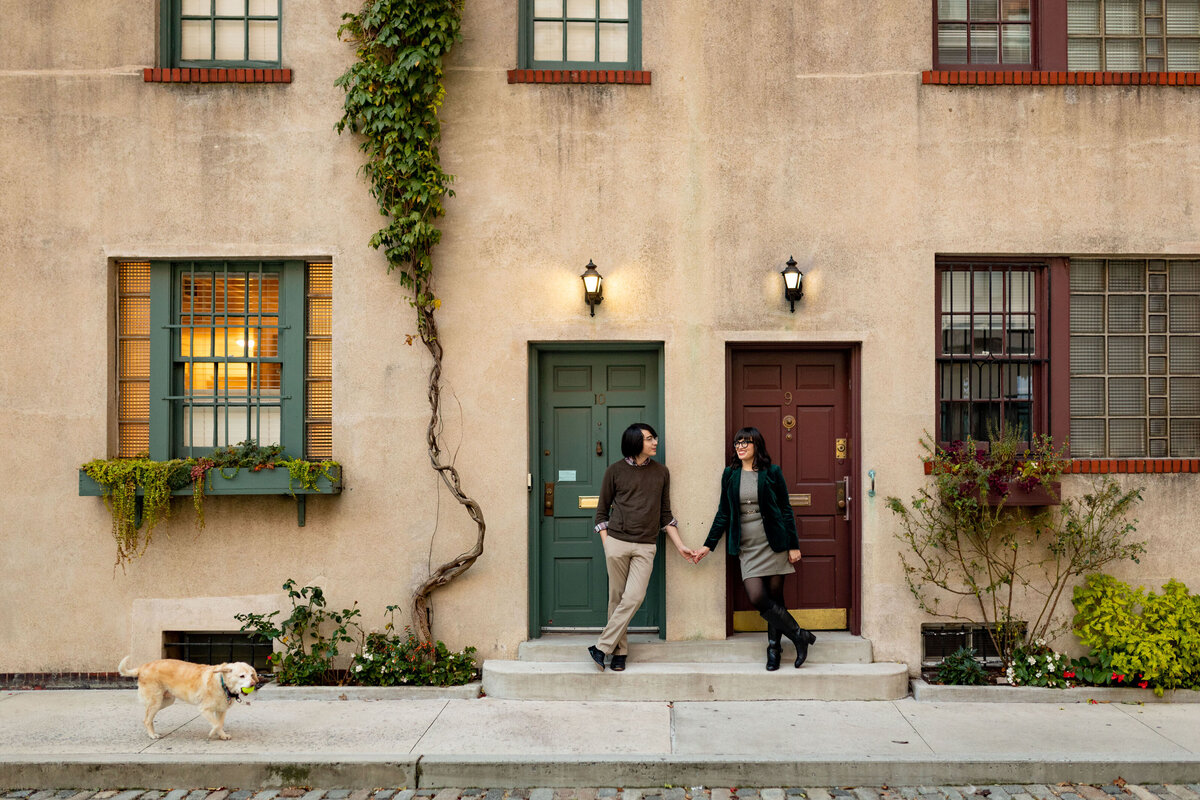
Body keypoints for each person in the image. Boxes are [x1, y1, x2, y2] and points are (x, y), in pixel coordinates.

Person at [693, 426, 816, 670]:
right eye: (737, 443)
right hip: (747, 547)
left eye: (745, 443)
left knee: (775, 599)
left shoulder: (772, 472)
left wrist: (793, 545)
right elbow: (723, 513)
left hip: (773, 543)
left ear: (756, 445)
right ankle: (799, 635)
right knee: (758, 597)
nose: (740, 447)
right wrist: (709, 544)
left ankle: (774, 649)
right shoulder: (730, 474)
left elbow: (785, 509)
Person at [588, 422, 696, 672]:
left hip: (646, 546)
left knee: (634, 597)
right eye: (649, 438)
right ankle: (619, 652)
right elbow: (601, 513)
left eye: (654, 438)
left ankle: (601, 647)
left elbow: (665, 514)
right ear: (636, 442)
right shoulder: (614, 471)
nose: (655, 442)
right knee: (616, 598)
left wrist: (680, 546)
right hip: (616, 542)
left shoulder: (661, 472)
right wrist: (608, 546)